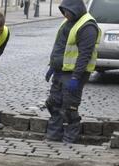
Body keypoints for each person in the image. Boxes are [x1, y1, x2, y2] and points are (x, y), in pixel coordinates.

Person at [44, 0, 100, 143]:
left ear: (75, 9)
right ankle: (53, 134)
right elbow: (60, 45)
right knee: (53, 103)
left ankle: (70, 137)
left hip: (74, 73)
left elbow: (84, 55)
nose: (65, 14)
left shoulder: (88, 26)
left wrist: (76, 77)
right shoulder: (67, 22)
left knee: (69, 107)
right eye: (63, 11)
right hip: (60, 71)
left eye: (67, 11)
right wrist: (52, 66)